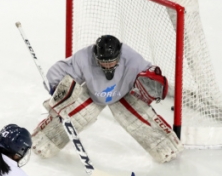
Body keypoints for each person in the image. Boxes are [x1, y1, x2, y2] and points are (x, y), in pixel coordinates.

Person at [32, 35, 184, 163]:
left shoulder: (132, 59)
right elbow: (61, 70)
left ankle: (164, 143)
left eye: (111, 61)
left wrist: (152, 84)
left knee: (140, 119)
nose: (107, 65)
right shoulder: (84, 57)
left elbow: (150, 75)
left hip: (123, 93)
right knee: (71, 116)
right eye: (103, 62)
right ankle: (46, 138)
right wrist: (57, 88)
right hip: (93, 93)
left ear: (119, 55)